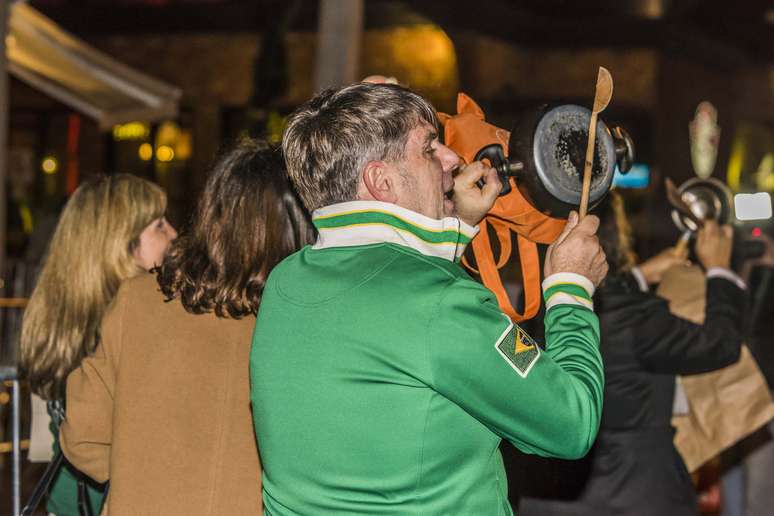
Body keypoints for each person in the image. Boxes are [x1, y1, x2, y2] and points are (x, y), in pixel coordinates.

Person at [250, 82, 608, 515]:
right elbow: (572, 423)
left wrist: (458, 227)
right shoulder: (441, 305)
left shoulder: (289, 280)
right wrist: (570, 290)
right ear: (381, 181)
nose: (453, 159)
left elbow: (389, 303)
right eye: (429, 149)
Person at [59, 140, 314, 515]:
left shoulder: (138, 300)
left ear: (212, 214)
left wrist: (146, 479)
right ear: (298, 224)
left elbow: (83, 437)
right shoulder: (306, 323)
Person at [517, 191, 746, 516]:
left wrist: (639, 277)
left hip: (552, 500)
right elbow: (720, 344)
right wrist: (720, 269)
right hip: (641, 498)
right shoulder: (640, 318)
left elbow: (591, 299)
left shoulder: (527, 314)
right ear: (614, 238)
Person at [20, 174, 176, 515]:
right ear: (121, 243)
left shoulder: (56, 319)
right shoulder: (133, 325)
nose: (174, 235)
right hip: (120, 499)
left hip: (68, 499)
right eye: (160, 226)